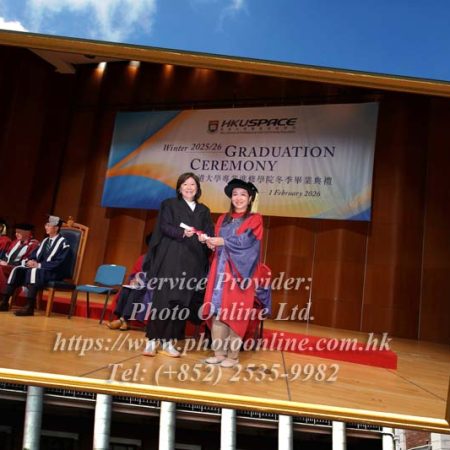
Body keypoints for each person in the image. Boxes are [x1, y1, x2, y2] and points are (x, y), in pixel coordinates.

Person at [142, 172, 214, 357]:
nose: (189, 188)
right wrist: (181, 233)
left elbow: (209, 231)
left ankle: (168, 341)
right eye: (185, 184)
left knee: (181, 303)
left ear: (198, 188)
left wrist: (206, 239)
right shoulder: (169, 204)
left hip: (193, 261)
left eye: (192, 184)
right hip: (171, 258)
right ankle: (152, 341)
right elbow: (164, 226)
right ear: (179, 188)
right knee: (163, 300)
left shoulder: (204, 210)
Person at [201, 179, 265, 368]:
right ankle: (219, 354)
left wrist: (223, 242)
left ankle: (233, 356)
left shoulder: (255, 218)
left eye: (243, 195)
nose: (238, 198)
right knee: (217, 311)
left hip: (240, 273)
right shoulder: (223, 218)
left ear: (250, 198)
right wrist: (211, 243)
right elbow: (219, 241)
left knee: (235, 312)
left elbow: (247, 242)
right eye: (235, 194)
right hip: (218, 270)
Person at [0, 215, 71, 316]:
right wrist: (30, 261)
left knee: (33, 271)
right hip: (41, 269)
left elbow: (60, 262)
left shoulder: (63, 243)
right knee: (18, 269)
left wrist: (39, 265)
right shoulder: (45, 241)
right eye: (46, 225)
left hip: (54, 272)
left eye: (49, 225)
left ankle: (29, 307)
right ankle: (5, 302)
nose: (46, 227)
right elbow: (34, 255)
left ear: (56, 228)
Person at [106, 232, 152, 331]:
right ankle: (123, 320)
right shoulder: (143, 258)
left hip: (152, 287)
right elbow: (135, 273)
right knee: (126, 289)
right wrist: (134, 279)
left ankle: (122, 320)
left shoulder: (162, 260)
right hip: (140, 284)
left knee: (137, 290)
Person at [0, 223, 40, 291]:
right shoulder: (15, 242)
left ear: (27, 233)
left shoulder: (33, 245)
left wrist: (8, 264)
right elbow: (7, 256)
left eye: (19, 232)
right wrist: (2, 261)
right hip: (8, 267)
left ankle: (4, 291)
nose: (16, 234)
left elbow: (28, 261)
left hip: (19, 269)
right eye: (16, 232)